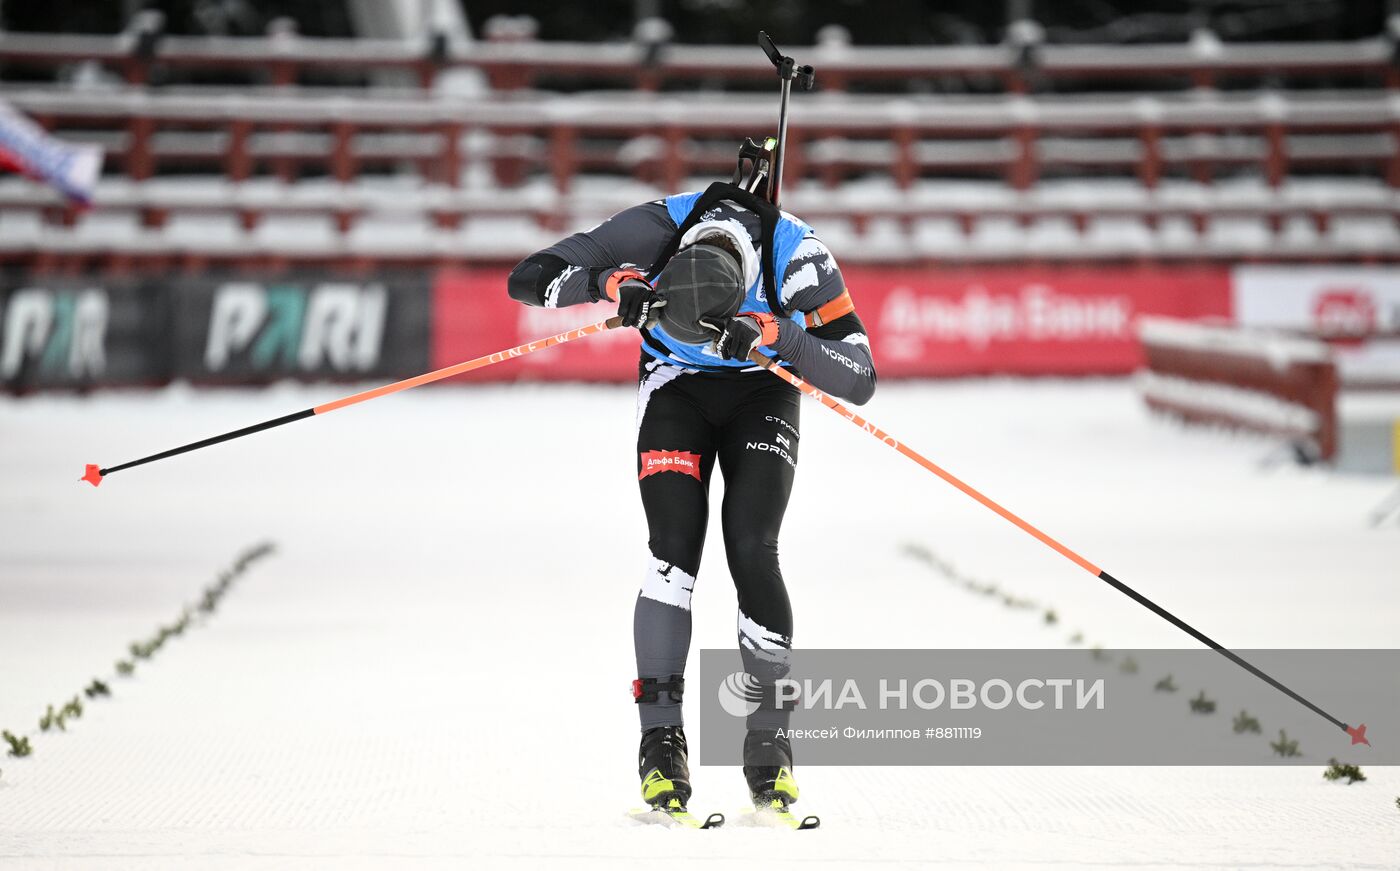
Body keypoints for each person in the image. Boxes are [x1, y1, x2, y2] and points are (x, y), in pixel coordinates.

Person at [507, 183, 876, 814]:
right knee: (673, 550)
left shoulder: (797, 256)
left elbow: (860, 375)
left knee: (752, 549)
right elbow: (529, 277)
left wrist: (779, 336)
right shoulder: (655, 227)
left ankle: (768, 739)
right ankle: (661, 740)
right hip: (675, 388)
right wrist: (610, 284)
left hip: (760, 392)